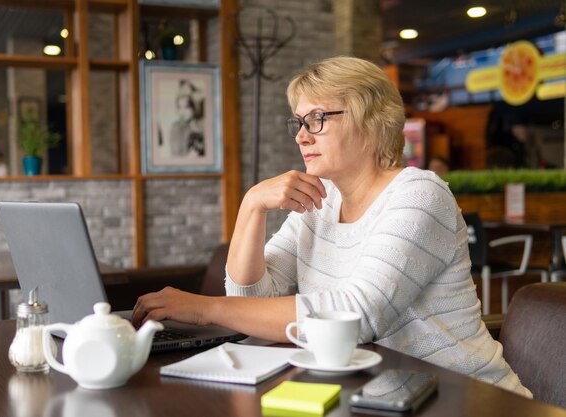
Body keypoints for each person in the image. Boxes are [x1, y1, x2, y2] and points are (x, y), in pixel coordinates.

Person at [132, 56, 531, 397]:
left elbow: (357, 316)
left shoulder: (419, 194)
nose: (302, 136)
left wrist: (206, 310)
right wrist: (251, 205)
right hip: (378, 393)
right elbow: (251, 294)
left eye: (318, 119)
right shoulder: (321, 200)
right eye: (299, 122)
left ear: (372, 121)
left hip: (469, 397)